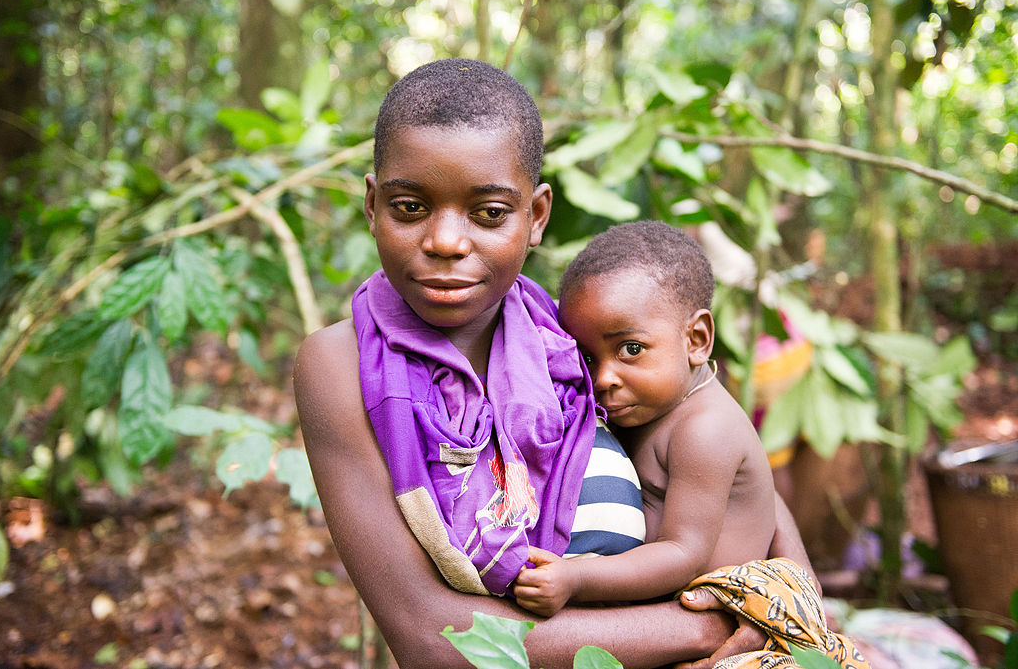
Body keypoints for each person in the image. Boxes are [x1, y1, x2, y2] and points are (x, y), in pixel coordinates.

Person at [294, 58, 816, 669]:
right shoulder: (340, 364)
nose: (445, 241)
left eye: (488, 213)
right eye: (410, 207)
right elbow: (430, 635)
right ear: (372, 202)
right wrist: (700, 630)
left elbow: (720, 455)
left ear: (535, 216)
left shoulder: (565, 338)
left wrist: (789, 589)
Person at [513, 221, 777, 617]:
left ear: (697, 339)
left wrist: (576, 578)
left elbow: (682, 552)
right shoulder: (649, 407)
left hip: (709, 623)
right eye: (587, 358)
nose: (603, 378)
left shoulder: (705, 428)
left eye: (631, 349)